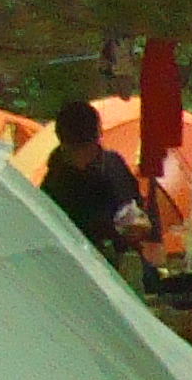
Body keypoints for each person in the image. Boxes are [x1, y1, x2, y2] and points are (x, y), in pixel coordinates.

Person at [37, 100, 149, 265]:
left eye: (87, 149)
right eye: (75, 151)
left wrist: (140, 226)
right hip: (74, 266)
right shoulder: (53, 184)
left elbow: (136, 210)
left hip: (121, 263)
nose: (82, 160)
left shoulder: (114, 166)